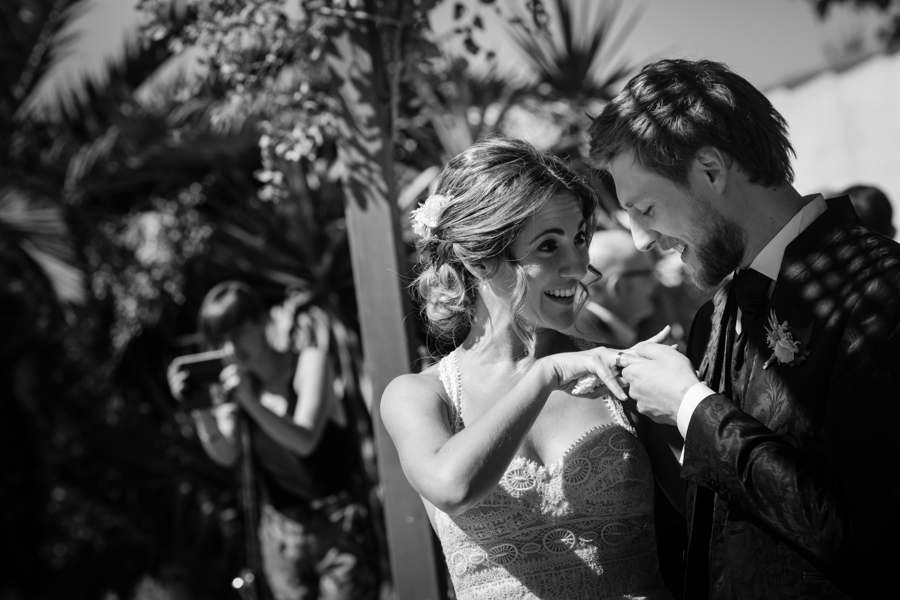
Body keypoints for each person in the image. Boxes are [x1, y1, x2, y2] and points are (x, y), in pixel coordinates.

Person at [587, 58, 900, 599]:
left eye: (645, 207)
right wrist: (662, 422)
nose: (640, 239)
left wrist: (690, 404)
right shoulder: (716, 312)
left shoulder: (882, 289)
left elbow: (850, 527)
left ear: (710, 169)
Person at [380, 135, 681, 599]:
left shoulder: (619, 372)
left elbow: (704, 521)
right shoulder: (421, 396)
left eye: (579, 238)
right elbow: (452, 486)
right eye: (547, 246)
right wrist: (546, 374)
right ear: (479, 259)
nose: (577, 265)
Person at [167, 282, 377, 600]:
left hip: (337, 526)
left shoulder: (310, 362)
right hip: (280, 532)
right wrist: (199, 409)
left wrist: (251, 403)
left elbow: (305, 440)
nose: (230, 349)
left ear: (264, 321)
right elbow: (226, 454)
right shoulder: (236, 383)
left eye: (237, 334)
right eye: (220, 340)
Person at [567, 228, 660, 347]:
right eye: (649, 274)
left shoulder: (579, 332)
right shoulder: (598, 348)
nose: (656, 282)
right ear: (619, 286)